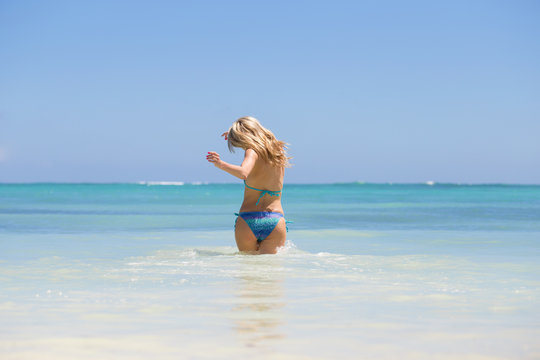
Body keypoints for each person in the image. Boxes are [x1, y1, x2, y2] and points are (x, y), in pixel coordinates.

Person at [206, 116, 291, 254]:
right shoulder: (278, 151)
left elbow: (243, 173)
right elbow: (262, 138)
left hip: (248, 220)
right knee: (272, 270)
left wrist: (220, 164)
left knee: (249, 270)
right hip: (275, 220)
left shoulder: (251, 151)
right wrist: (235, 134)